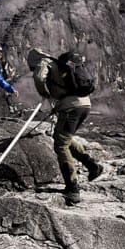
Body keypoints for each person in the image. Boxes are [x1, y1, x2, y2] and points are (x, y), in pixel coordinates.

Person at [29, 49, 101, 205]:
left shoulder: (44, 62)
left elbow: (39, 77)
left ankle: (72, 187)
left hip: (71, 107)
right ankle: (92, 165)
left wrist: (45, 93)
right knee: (64, 139)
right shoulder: (65, 64)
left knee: (61, 145)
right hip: (85, 104)